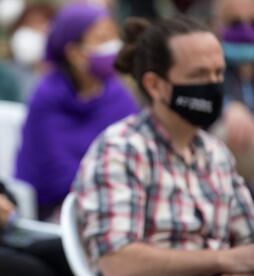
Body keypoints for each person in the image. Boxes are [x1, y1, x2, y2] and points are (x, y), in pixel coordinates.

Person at [73, 16, 254, 275]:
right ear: (155, 85)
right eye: (199, 74)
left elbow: (247, 243)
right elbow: (117, 261)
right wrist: (222, 260)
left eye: (218, 73)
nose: (213, 85)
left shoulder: (216, 154)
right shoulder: (121, 149)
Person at [15, 3, 138, 220]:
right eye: (101, 39)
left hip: (117, 200)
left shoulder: (117, 92)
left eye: (113, 37)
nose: (113, 46)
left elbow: (135, 149)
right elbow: (54, 169)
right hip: (58, 208)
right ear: (74, 52)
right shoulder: (48, 96)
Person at [211, 0, 254, 192]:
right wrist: (226, 108)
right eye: (235, 22)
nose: (245, 30)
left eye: (253, 22)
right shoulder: (208, 68)